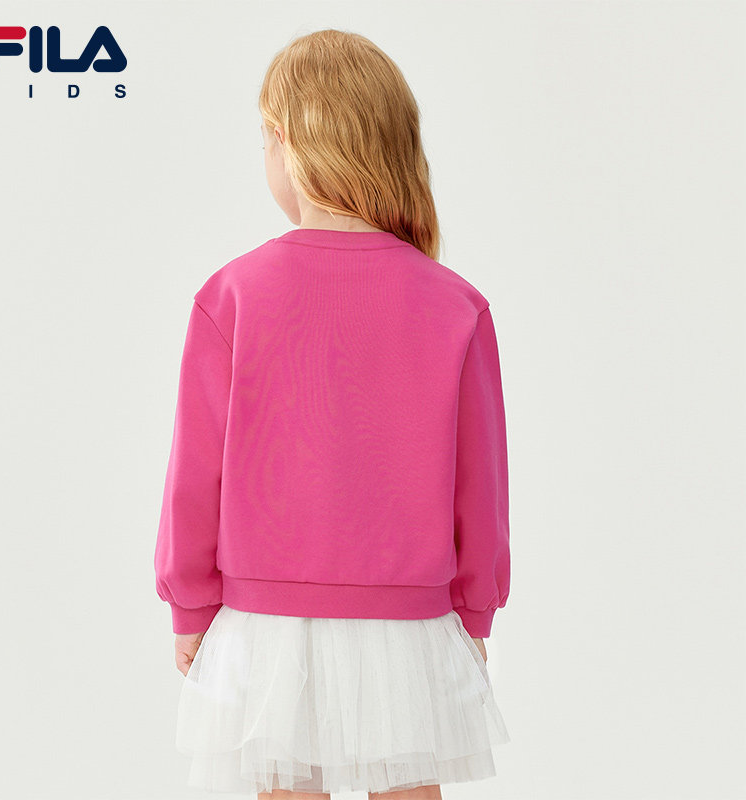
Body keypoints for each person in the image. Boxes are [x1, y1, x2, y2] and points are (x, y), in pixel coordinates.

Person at [153, 28, 511, 800]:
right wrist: (475, 612)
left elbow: (194, 478)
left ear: (289, 144)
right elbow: (481, 488)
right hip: (410, 622)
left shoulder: (232, 294)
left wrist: (190, 602)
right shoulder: (456, 305)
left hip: (267, 621)